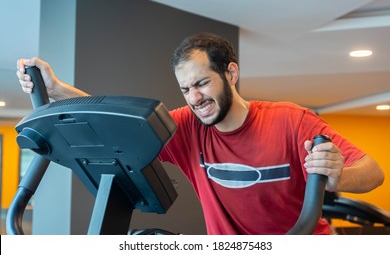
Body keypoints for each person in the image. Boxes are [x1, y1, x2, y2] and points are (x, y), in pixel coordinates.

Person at [16, 32, 384, 235]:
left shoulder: (291, 120)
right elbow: (117, 122)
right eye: (185, 89)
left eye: (202, 83)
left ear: (231, 73)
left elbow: (373, 172)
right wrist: (57, 88)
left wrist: (338, 174)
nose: (194, 98)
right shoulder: (188, 128)